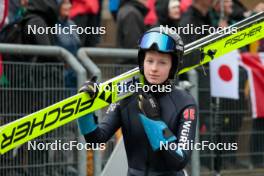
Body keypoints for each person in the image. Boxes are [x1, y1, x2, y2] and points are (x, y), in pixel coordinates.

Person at [77, 26, 198, 176]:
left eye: (162, 62)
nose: (154, 68)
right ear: (142, 62)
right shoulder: (127, 97)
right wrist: (85, 107)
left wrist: (154, 121)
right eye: (150, 60)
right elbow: (96, 139)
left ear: (173, 66)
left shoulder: (185, 103)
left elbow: (179, 159)